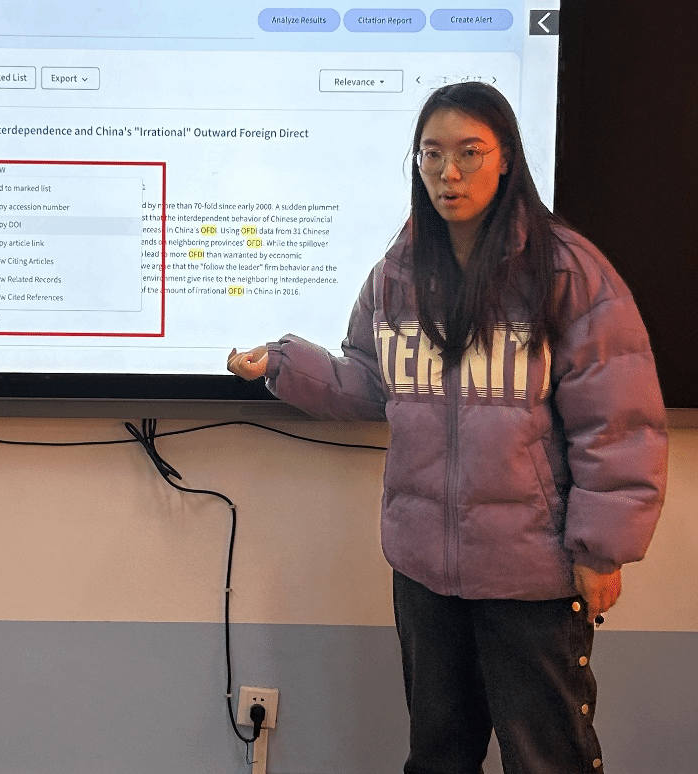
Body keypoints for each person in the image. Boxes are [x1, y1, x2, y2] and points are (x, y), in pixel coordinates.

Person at [228, 82, 667, 774]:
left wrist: (602, 548)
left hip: (534, 578)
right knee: (437, 759)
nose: (448, 173)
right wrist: (283, 364)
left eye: (468, 153)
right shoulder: (397, 275)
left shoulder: (566, 271)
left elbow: (618, 420)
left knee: (547, 760)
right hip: (425, 576)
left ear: (507, 158)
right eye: (431, 154)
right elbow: (371, 381)